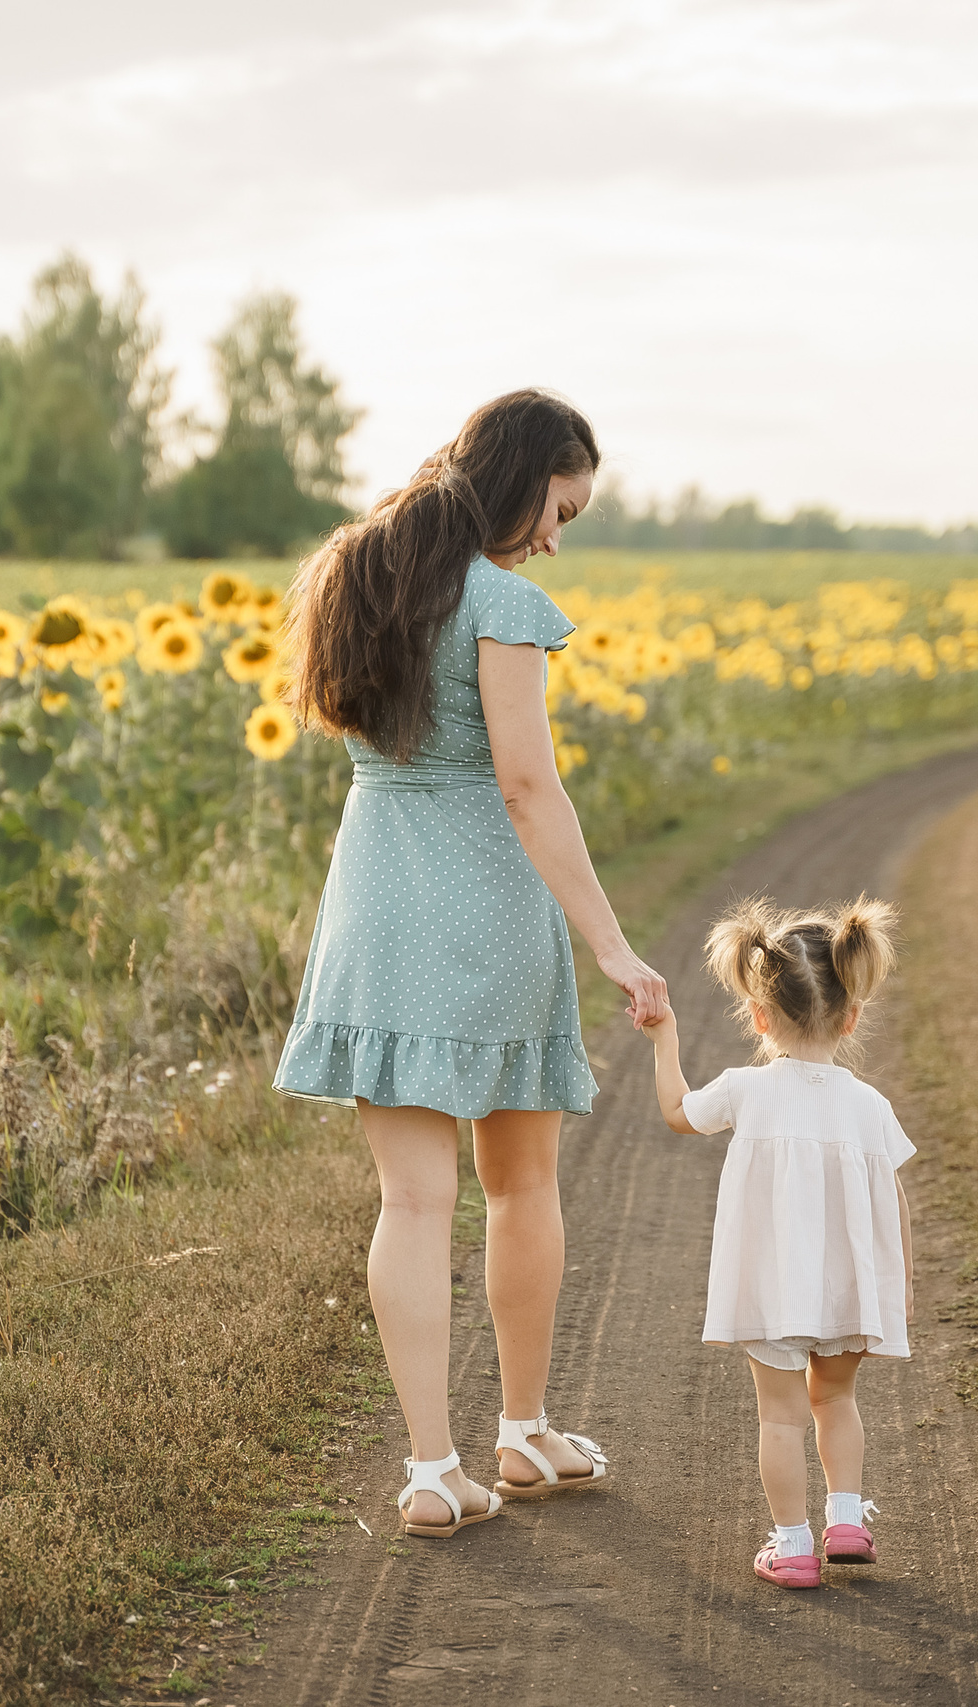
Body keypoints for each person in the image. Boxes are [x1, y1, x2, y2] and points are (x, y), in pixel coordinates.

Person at [273, 388, 668, 1539]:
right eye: (561, 508)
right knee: (520, 1184)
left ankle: (433, 1466)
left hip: (374, 904)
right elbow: (526, 786)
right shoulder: (503, 603)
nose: (556, 537)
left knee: (409, 1198)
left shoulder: (358, 575)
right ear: (524, 478)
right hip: (486, 907)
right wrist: (610, 942)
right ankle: (525, 1428)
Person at [641, 895, 915, 1589]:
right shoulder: (870, 1105)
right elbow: (898, 1200)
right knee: (837, 1401)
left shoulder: (745, 1088)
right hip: (852, 1291)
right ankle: (847, 1520)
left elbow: (678, 1112)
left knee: (782, 1416)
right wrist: (898, 1288)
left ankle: (793, 1546)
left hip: (773, 1290)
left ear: (758, 1017)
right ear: (851, 1015)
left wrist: (664, 1036)